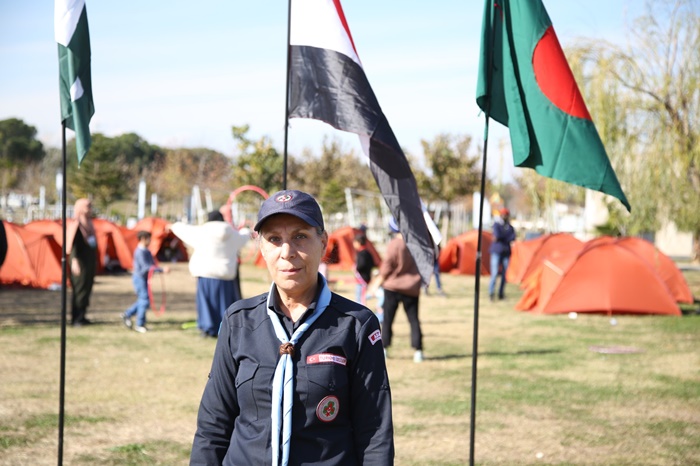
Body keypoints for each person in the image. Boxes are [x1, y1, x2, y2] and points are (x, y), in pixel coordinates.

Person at [190, 189, 393, 466]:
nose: (287, 252)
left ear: (323, 242)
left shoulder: (356, 324)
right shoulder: (239, 321)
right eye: (275, 239)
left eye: (300, 237)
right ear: (261, 247)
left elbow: (375, 432)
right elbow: (213, 426)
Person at [171, 210, 250, 338]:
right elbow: (244, 237)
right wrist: (246, 230)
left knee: (206, 303)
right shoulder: (232, 234)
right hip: (226, 275)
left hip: (205, 274)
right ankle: (226, 329)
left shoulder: (201, 232)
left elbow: (183, 230)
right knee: (225, 304)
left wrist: (172, 226)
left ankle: (207, 328)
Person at [370, 218, 424, 363]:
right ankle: (418, 351)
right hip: (412, 287)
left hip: (392, 287)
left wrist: (376, 284)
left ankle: (384, 349)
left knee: (387, 320)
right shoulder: (416, 243)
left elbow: (387, 266)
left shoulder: (394, 244)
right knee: (414, 320)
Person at [121, 231, 169, 333]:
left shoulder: (146, 251)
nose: (150, 241)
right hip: (139, 279)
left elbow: (152, 264)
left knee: (143, 300)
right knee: (144, 300)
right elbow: (146, 267)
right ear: (143, 239)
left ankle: (127, 314)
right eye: (148, 238)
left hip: (145, 279)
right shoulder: (139, 252)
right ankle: (140, 324)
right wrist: (161, 270)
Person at [66, 198, 97, 326]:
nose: (90, 209)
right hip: (79, 264)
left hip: (88, 263)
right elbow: (73, 246)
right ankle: (76, 318)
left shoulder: (88, 224)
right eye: (87, 206)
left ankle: (83, 315)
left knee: (87, 289)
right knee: (79, 290)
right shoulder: (76, 225)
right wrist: (74, 261)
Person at [488, 207, 516, 301]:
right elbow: (498, 235)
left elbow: (512, 237)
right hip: (496, 252)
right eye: (503, 214)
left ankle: (501, 294)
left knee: (504, 275)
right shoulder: (496, 225)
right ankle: (491, 293)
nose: (504, 216)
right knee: (495, 273)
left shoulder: (510, 227)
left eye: (506, 215)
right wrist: (505, 236)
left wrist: (502, 237)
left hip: (506, 252)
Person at [353, 231, 376, 305]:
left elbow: (361, 265)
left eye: (354, 242)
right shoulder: (368, 252)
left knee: (361, 297)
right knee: (360, 295)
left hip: (362, 278)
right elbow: (373, 263)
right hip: (366, 277)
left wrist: (356, 268)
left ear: (358, 242)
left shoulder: (362, 253)